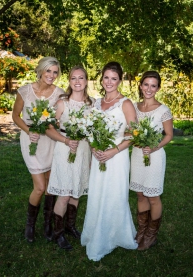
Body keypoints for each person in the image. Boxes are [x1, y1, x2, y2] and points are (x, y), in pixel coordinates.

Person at [81, 61, 138, 261]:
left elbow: (133, 134)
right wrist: (95, 147)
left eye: (114, 78)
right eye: (106, 77)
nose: (109, 82)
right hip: (98, 156)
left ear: (120, 81)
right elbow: (90, 130)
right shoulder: (96, 103)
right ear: (101, 79)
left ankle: (115, 234)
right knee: (98, 193)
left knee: (114, 194)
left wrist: (113, 151)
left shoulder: (126, 103)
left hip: (117, 156)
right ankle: (96, 232)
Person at [12, 56, 65, 243]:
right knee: (40, 187)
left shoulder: (59, 93)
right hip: (31, 142)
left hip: (50, 141)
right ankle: (30, 225)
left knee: (50, 184)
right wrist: (29, 130)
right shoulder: (25, 91)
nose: (51, 75)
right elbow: (15, 115)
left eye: (55, 72)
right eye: (48, 70)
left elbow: (60, 118)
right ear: (41, 70)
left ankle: (47, 225)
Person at [46, 66, 95, 250]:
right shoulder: (62, 103)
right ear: (69, 81)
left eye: (81, 78)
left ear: (86, 81)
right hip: (65, 149)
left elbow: (92, 132)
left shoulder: (92, 104)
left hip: (83, 150)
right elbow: (48, 128)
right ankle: (57, 233)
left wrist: (91, 157)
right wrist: (66, 140)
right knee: (65, 194)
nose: (77, 81)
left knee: (77, 191)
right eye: (73, 78)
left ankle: (70, 226)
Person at [130, 70, 173, 250]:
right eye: (146, 84)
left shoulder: (163, 110)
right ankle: (141, 230)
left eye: (153, 86)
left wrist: (153, 147)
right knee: (140, 194)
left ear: (158, 88)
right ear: (141, 86)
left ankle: (151, 234)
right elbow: (130, 131)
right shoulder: (133, 107)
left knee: (152, 196)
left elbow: (169, 135)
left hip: (154, 156)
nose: (149, 89)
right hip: (137, 155)